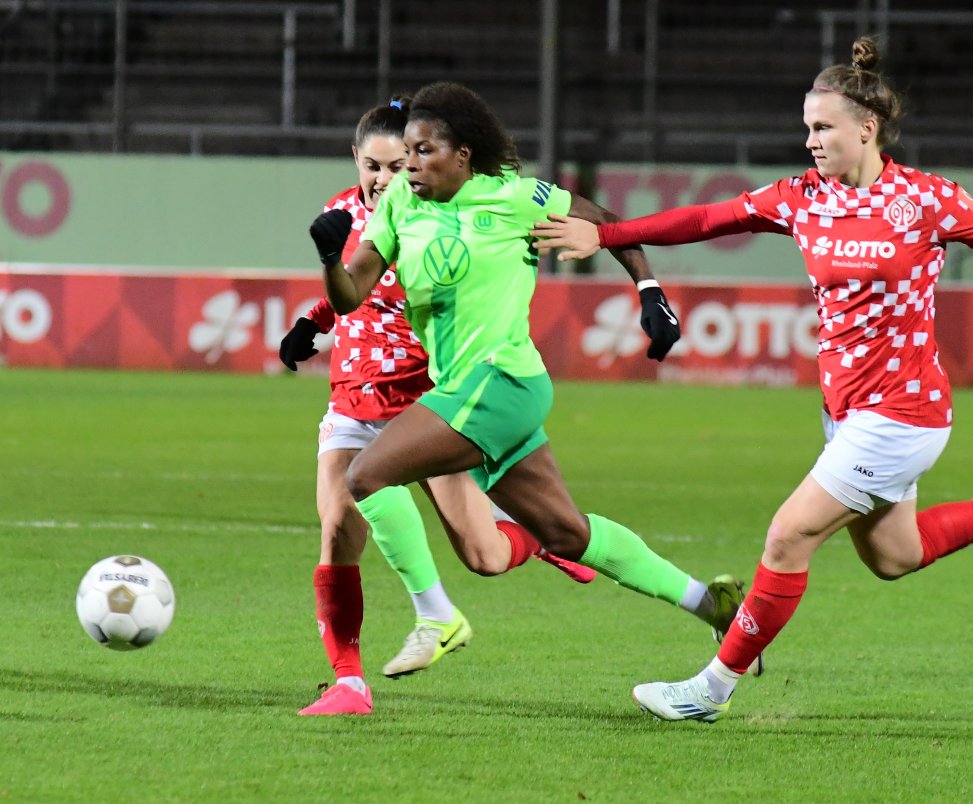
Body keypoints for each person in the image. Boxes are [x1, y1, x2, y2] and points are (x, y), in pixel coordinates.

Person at [531, 36, 973, 722]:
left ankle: (710, 689)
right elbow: (704, 218)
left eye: (823, 128)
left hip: (905, 413)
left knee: (789, 537)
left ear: (867, 129)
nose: (812, 140)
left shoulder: (926, 201)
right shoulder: (800, 198)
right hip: (846, 412)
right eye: (807, 128)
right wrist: (606, 239)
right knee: (895, 556)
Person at [307, 81, 754, 682]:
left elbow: (608, 223)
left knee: (365, 474)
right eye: (406, 153)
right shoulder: (399, 208)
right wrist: (333, 261)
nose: (408, 167)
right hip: (471, 394)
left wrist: (650, 291)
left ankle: (435, 617)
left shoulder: (519, 199)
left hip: (501, 380)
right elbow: (351, 295)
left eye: (423, 152)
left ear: (464, 155)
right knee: (566, 534)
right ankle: (713, 603)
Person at [286, 97, 597, 717]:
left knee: (483, 557)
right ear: (356, 160)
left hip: (429, 402)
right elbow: (355, 286)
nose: (384, 179)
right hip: (353, 401)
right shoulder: (341, 213)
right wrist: (312, 319)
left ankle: (539, 540)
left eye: (397, 165)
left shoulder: (429, 209)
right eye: (372, 166)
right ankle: (349, 682)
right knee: (337, 528)